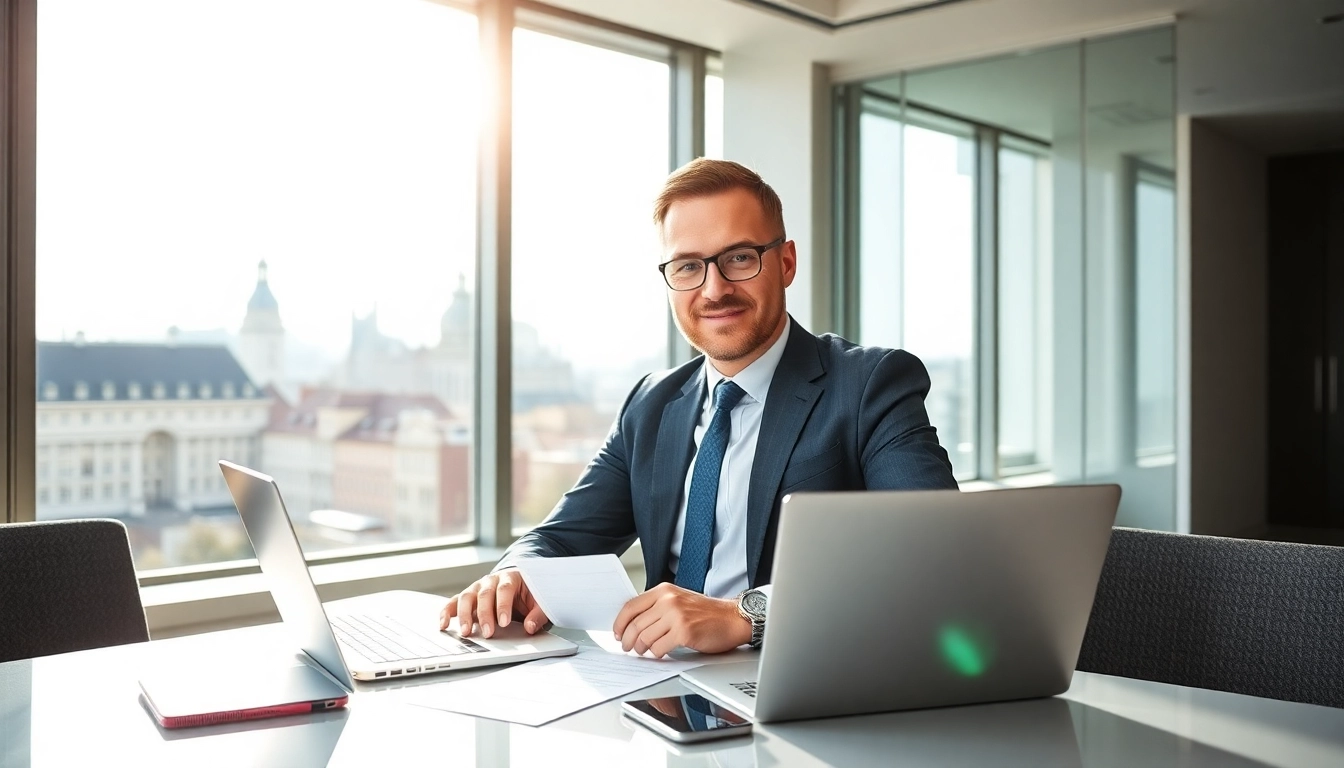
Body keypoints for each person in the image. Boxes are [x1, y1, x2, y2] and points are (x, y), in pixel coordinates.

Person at [440, 158, 958, 657]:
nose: (714, 289)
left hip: (805, 681)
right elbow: (557, 538)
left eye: (738, 258)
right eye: (688, 266)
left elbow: (932, 555)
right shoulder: (652, 403)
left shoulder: (869, 384)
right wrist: (512, 574)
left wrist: (746, 615)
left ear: (786, 263)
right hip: (661, 690)